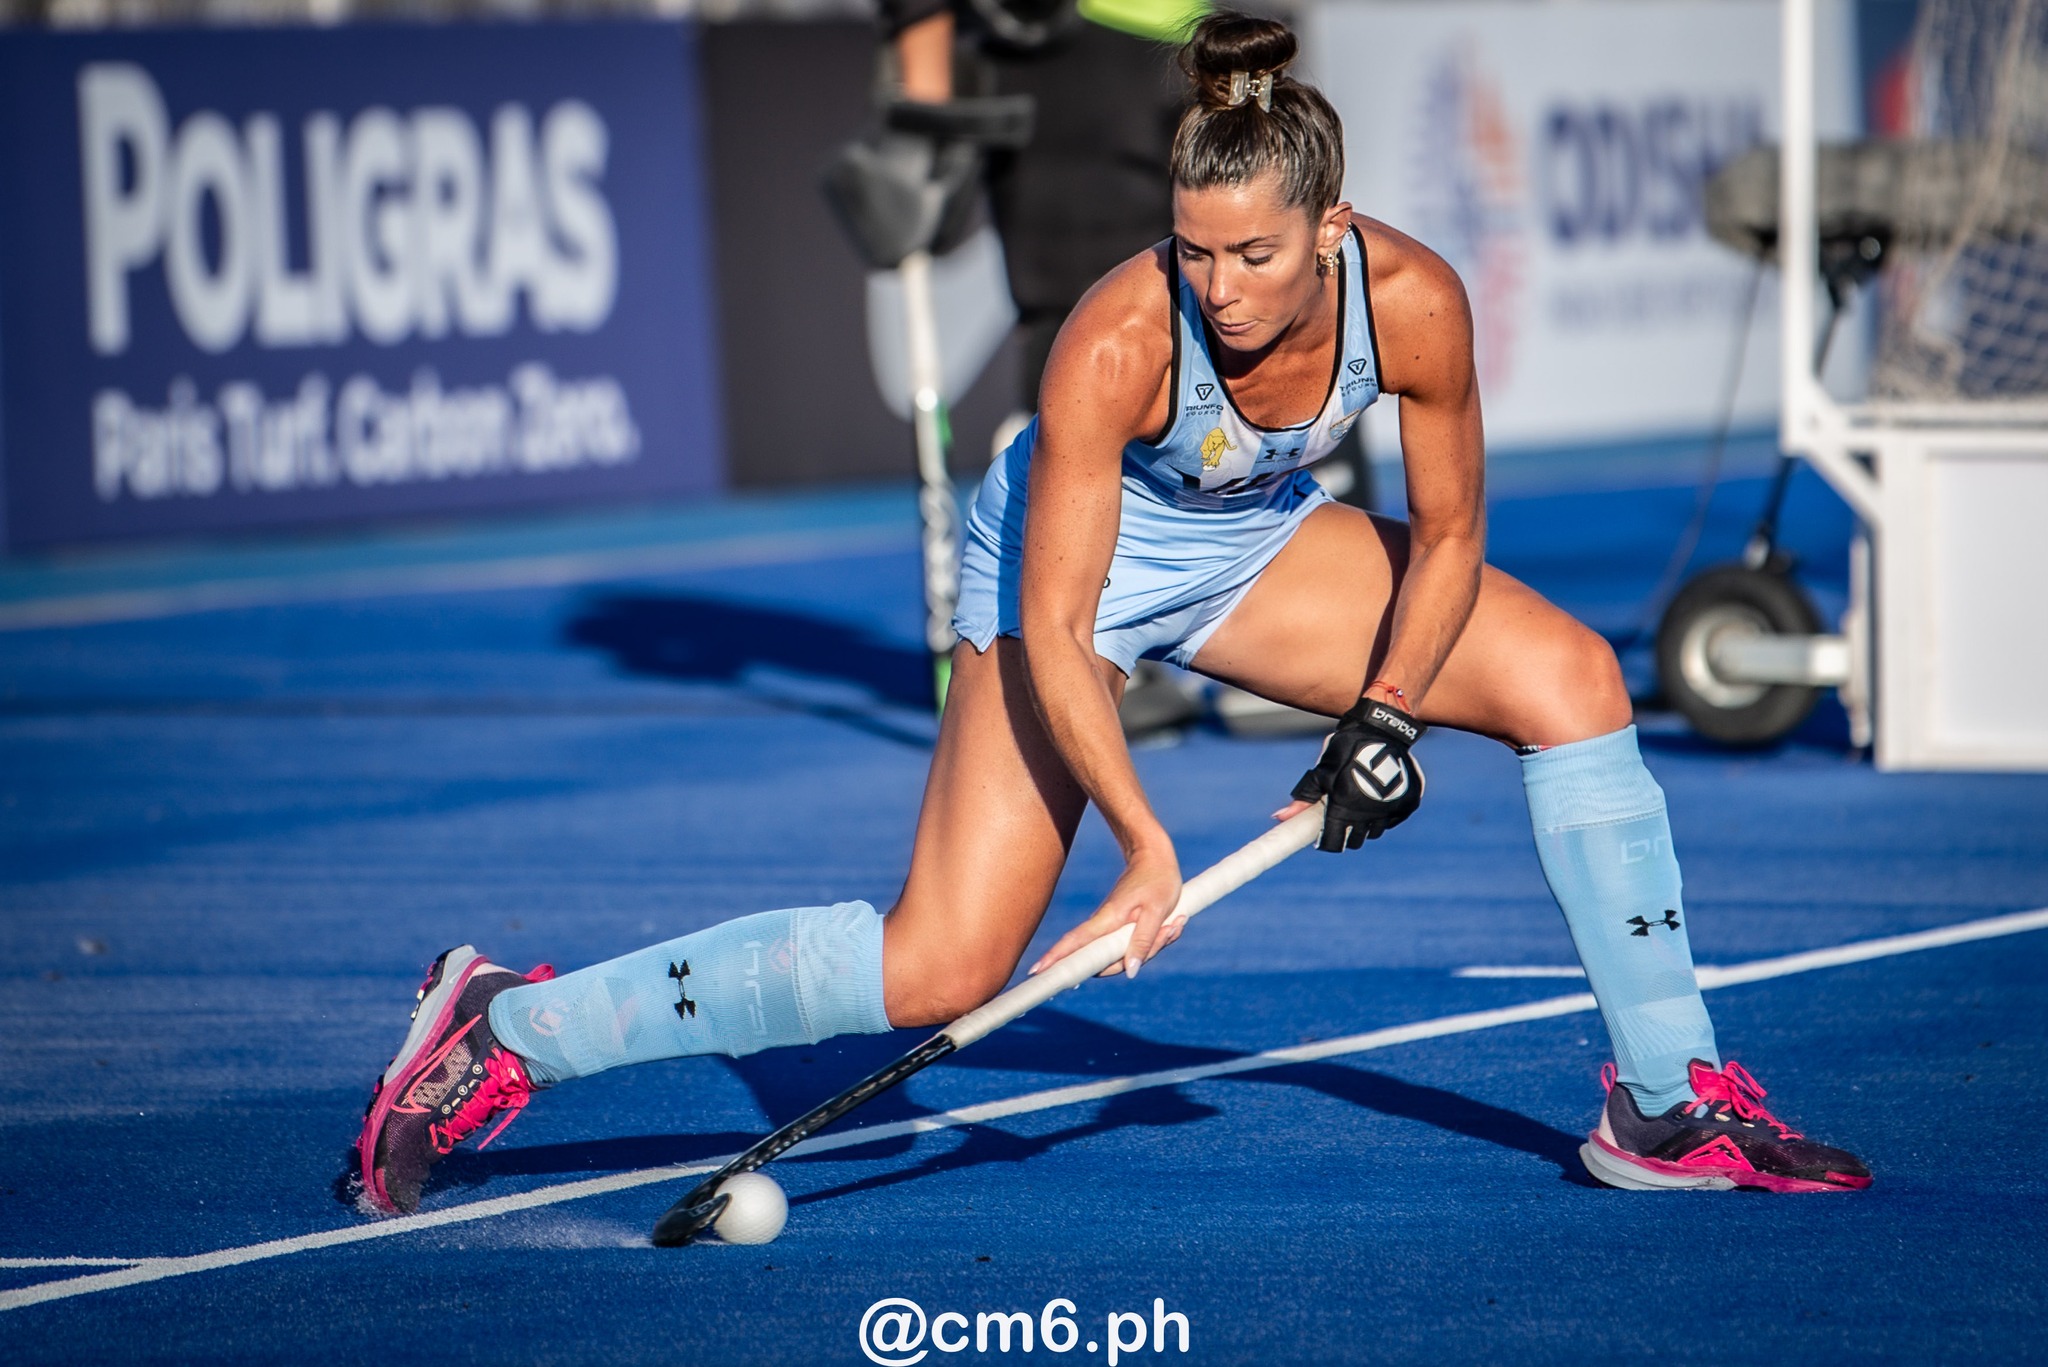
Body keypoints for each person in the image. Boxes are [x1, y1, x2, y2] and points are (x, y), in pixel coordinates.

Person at [353, 12, 1869, 1214]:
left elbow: (1456, 532)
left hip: (1256, 545)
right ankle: (502, 1028)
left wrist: (1387, 716)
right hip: (1062, 582)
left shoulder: (1413, 302)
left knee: (1575, 678)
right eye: (1194, 249)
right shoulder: (1116, 341)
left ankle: (1665, 1103)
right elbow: (1067, 632)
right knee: (939, 970)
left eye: (1254, 255)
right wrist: (1147, 845)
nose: (1216, 285)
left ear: (1332, 227)